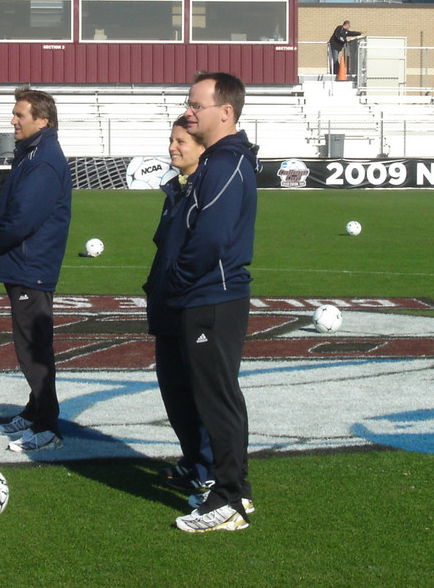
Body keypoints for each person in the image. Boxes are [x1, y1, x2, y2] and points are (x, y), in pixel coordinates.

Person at [167, 71, 259, 534]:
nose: (189, 111)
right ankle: (234, 491)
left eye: (196, 105)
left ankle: (228, 499)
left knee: (217, 398)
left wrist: (178, 281)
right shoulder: (221, 160)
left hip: (212, 297)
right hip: (211, 295)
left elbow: (210, 239)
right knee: (219, 395)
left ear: (225, 112)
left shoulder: (224, 163)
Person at [0, 87, 72, 453]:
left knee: (33, 350)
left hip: (31, 267)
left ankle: (47, 425)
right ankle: (35, 412)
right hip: (22, 264)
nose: (13, 120)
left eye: (20, 115)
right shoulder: (31, 154)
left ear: (42, 121)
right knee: (29, 346)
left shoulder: (44, 159)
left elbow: (23, 219)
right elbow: (9, 206)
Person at [144, 117, 215, 499]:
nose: (172, 147)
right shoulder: (177, 190)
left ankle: (210, 471)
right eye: (170, 140)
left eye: (181, 141)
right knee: (173, 390)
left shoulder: (206, 188)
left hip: (194, 305)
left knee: (198, 391)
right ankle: (194, 461)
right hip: (167, 303)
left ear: (202, 147)